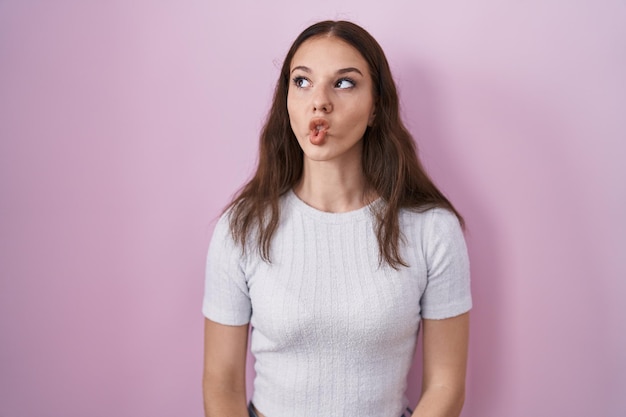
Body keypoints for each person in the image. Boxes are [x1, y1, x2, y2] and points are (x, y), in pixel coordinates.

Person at [202, 20, 471, 417]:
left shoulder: (432, 229)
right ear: (287, 100)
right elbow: (221, 383)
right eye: (302, 81)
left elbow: (446, 385)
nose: (320, 101)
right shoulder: (241, 228)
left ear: (376, 106)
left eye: (344, 83)